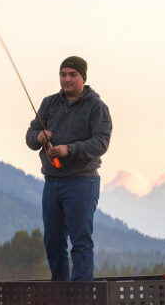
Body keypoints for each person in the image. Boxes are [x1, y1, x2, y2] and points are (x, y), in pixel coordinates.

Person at [25, 56, 112, 281]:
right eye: (63, 74)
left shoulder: (97, 107)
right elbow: (30, 136)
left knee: (80, 241)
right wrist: (39, 136)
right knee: (53, 241)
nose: (67, 79)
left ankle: (81, 294)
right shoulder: (49, 103)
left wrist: (69, 150)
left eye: (73, 75)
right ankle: (60, 290)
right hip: (52, 182)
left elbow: (101, 143)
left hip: (82, 181)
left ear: (83, 78)